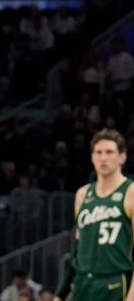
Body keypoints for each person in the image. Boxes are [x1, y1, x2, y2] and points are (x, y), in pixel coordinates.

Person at [55, 128, 134, 301]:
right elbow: (77, 249)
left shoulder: (130, 192)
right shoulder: (82, 194)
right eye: (98, 152)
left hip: (115, 281)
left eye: (109, 152)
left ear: (122, 156)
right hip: (83, 283)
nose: (103, 157)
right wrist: (61, 293)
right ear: (92, 157)